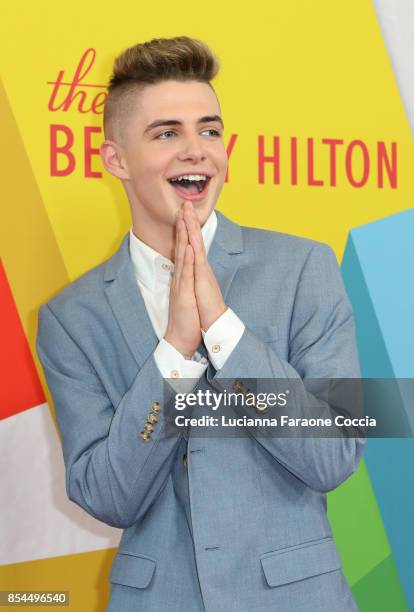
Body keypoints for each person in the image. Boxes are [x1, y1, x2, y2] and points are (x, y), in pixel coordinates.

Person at [36, 36, 364, 611]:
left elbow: (333, 455)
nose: (196, 151)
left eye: (209, 131)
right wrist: (176, 353)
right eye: (167, 134)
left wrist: (224, 330)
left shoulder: (304, 269)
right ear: (116, 159)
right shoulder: (71, 319)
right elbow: (109, 496)